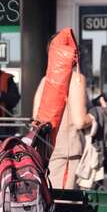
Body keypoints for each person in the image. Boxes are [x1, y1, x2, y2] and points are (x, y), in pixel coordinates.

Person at [33, 59, 94, 190]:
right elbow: (80, 121)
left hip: (45, 152)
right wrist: (96, 115)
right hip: (67, 154)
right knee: (65, 199)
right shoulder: (76, 79)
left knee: (49, 196)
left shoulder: (45, 80)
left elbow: (36, 117)